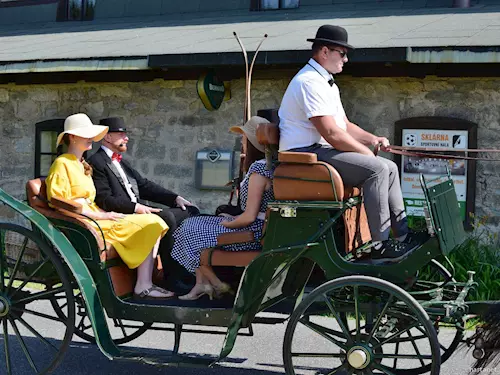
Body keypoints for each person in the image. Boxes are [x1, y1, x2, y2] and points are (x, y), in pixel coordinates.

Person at [278, 25, 427, 261]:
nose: (346, 59)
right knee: (377, 169)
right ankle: (380, 245)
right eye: (342, 53)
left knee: (390, 167)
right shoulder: (308, 82)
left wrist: (373, 140)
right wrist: (366, 153)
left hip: (319, 151)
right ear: (325, 52)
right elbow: (331, 133)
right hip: (304, 154)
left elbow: (344, 125)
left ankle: (401, 236)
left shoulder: (327, 83)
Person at [46, 113, 173, 299]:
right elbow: (57, 200)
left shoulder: (82, 164)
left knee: (154, 222)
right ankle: (144, 285)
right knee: (151, 223)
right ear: (72, 137)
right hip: (87, 223)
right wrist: (99, 216)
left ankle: (145, 282)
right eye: (85, 134)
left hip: (97, 217)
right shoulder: (62, 163)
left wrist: (104, 213)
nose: (91, 139)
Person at [87, 117, 199, 293]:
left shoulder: (121, 162)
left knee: (187, 212)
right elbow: (104, 199)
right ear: (107, 137)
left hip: (137, 212)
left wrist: (174, 198)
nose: (126, 138)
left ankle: (189, 271)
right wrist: (136, 208)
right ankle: (171, 278)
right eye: (121, 134)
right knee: (167, 218)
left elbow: (144, 185)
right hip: (126, 215)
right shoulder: (97, 162)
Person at [171, 116, 275, 301]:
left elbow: (250, 216)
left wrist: (228, 222)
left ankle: (215, 284)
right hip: (257, 226)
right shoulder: (269, 166)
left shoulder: (259, 170)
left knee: (187, 230)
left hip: (253, 231)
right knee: (193, 224)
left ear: (251, 141)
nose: (241, 141)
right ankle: (202, 284)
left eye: (244, 137)